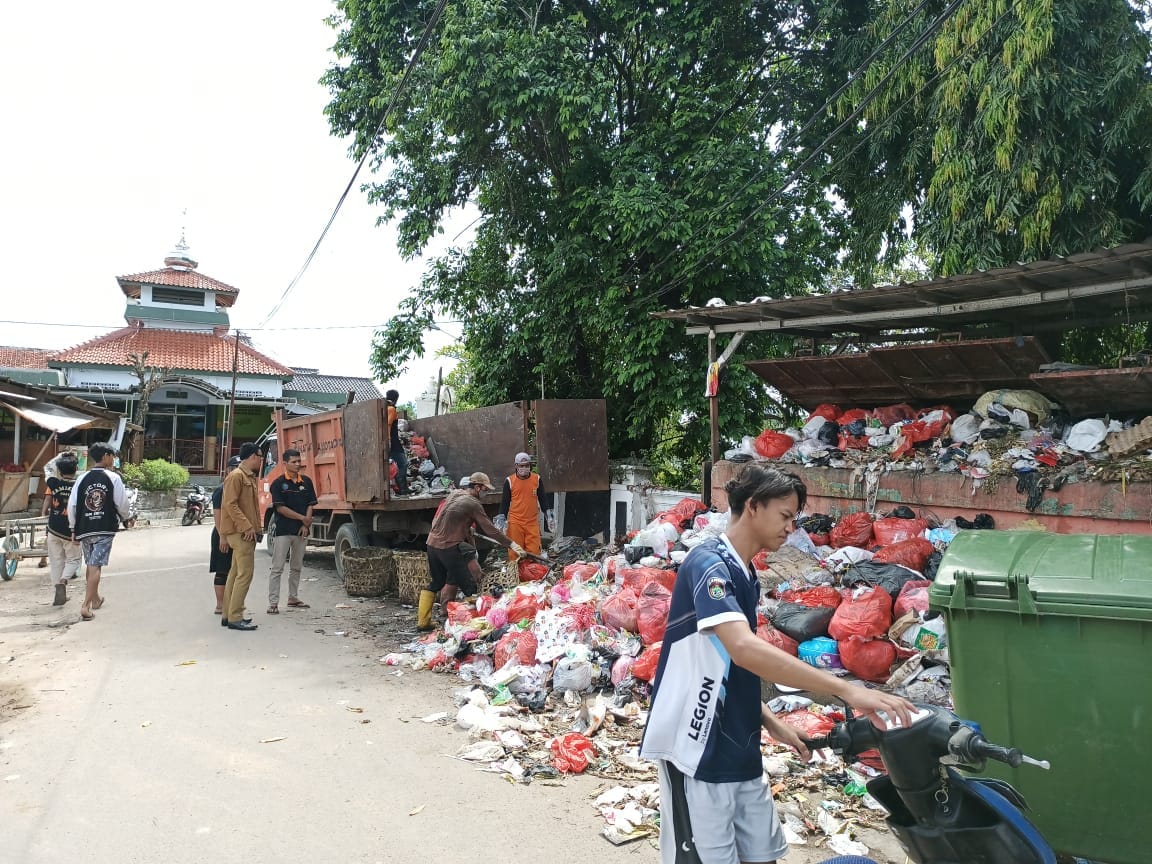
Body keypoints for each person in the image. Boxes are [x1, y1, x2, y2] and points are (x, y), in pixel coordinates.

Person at [640, 465, 914, 864]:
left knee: (762, 854)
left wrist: (770, 720)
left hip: (739, 742)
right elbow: (743, 649)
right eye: (785, 516)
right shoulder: (708, 564)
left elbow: (727, 666)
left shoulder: (744, 572)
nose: (790, 528)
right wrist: (847, 688)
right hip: (697, 744)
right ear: (753, 506)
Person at [418, 471, 524, 632]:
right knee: (468, 586)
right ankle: (475, 625)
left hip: (432, 544)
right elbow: (491, 530)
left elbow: (444, 520)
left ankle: (423, 622)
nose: (485, 493)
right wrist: (512, 544)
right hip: (449, 547)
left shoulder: (454, 494)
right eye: (484, 489)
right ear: (476, 487)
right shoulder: (473, 504)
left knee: (437, 582)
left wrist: (467, 531)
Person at [67, 442, 136, 622]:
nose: (113, 460)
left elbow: (72, 505)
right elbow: (121, 503)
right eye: (112, 456)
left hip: (84, 528)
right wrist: (127, 517)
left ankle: (96, 599)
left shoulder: (81, 479)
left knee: (91, 563)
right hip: (104, 527)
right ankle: (85, 605)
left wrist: (73, 527)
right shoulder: (113, 478)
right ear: (105, 456)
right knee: (95, 565)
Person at [219, 443, 264, 631]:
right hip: (240, 533)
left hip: (245, 532)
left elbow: (251, 508)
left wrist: (257, 529)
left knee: (235, 573)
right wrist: (247, 527)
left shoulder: (248, 477)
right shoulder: (237, 476)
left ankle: (228, 614)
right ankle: (236, 616)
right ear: (253, 456)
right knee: (245, 574)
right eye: (260, 456)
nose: (262, 460)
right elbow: (230, 505)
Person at [266, 448, 317, 614]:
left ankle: (293, 597)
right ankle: (273, 603)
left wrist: (306, 524)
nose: (297, 464)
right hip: (283, 531)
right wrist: (302, 518)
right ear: (285, 463)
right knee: (277, 567)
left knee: (296, 566)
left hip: (301, 531)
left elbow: (310, 504)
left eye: (298, 461)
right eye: (294, 462)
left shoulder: (307, 482)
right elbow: (280, 508)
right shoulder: (278, 484)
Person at [494, 452, 554, 560]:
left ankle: (531, 575)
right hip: (515, 523)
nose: (524, 468)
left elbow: (543, 500)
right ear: (516, 466)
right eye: (521, 466)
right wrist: (501, 520)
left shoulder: (537, 479)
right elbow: (505, 503)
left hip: (532, 523)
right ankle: (516, 574)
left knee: (534, 552)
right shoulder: (510, 481)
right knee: (515, 553)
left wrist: (549, 516)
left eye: (527, 465)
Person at [42, 451, 81, 606]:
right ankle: (63, 581)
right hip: (70, 530)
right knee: (74, 559)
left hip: (53, 529)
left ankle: (57, 590)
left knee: (56, 561)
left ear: (59, 469)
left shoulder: (54, 483)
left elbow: (47, 467)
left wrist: (59, 456)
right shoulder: (79, 486)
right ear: (76, 469)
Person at [210, 455, 243, 614]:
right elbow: (218, 516)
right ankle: (220, 605)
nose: (237, 471)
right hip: (222, 533)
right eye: (234, 468)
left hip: (237, 534)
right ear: (228, 470)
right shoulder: (221, 490)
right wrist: (222, 537)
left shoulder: (240, 487)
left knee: (234, 570)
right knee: (222, 569)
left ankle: (231, 604)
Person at [384, 389, 411, 497]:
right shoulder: (391, 409)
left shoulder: (384, 408)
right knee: (403, 463)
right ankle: (403, 489)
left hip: (389, 441)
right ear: (396, 399)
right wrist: (389, 441)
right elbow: (388, 425)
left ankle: (399, 488)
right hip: (393, 442)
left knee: (393, 465)